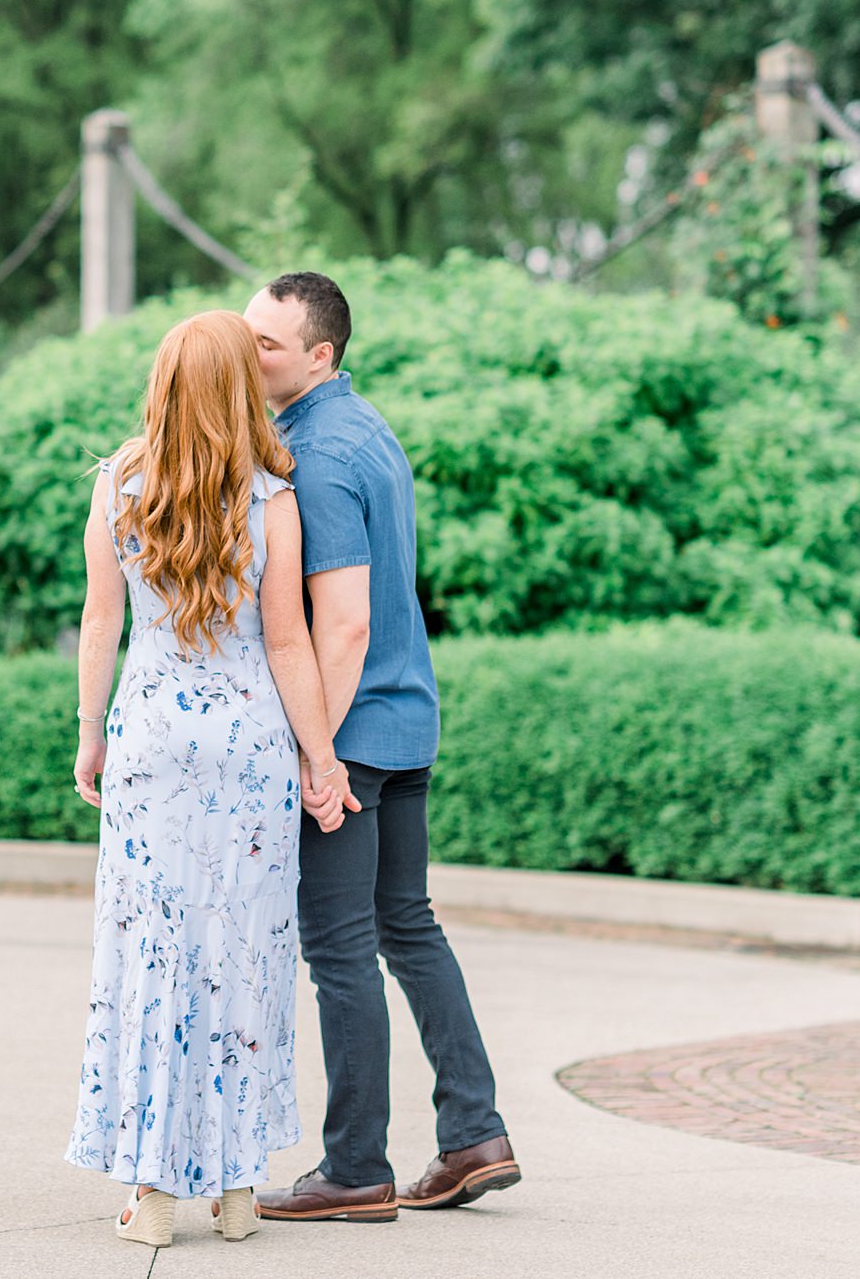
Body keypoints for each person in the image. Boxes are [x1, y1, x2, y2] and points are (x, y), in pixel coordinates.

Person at [64, 309, 358, 1250]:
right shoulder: (274, 497)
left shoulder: (120, 485)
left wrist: (87, 737)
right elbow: (287, 643)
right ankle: (236, 1191)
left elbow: (100, 624)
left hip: (151, 740)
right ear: (239, 386)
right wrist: (323, 760)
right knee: (243, 958)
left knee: (153, 960)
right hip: (248, 751)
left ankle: (150, 1193)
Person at [243, 271, 520, 1224]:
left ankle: (355, 1166)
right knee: (408, 927)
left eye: (268, 345)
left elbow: (345, 623)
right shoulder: (370, 427)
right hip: (409, 722)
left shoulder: (313, 453)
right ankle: (474, 1136)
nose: (251, 355)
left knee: (340, 948)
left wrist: (317, 752)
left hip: (353, 735)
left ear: (319, 356)